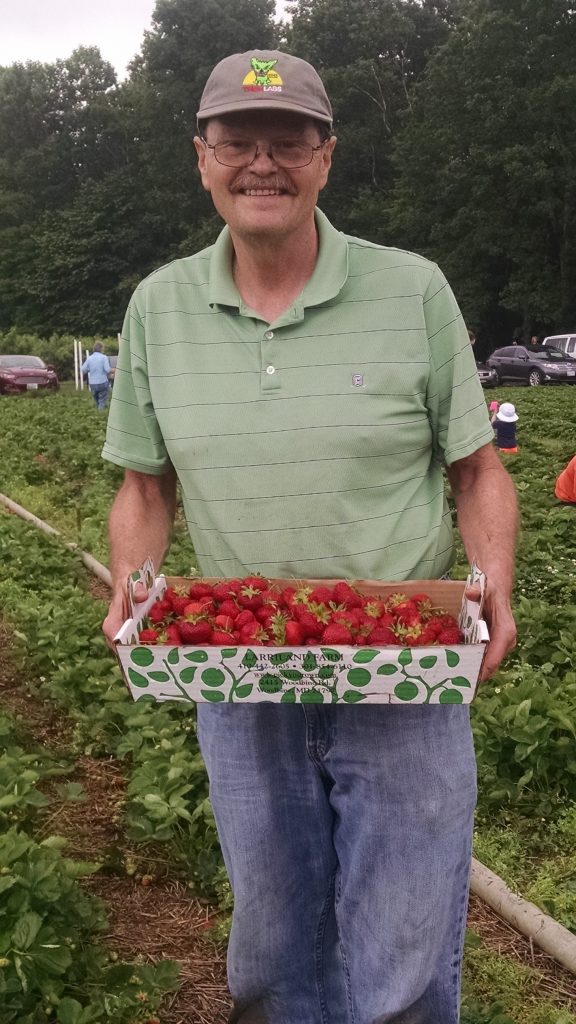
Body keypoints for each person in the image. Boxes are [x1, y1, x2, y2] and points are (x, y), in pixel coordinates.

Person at [101, 49, 518, 1024]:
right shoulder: (160, 307)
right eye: (236, 140)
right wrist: (135, 575)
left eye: (288, 140)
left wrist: (493, 574)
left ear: (326, 157)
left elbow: (478, 469)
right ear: (200, 157)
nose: (262, 161)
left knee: (406, 944)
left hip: (399, 669)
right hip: (241, 674)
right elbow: (144, 485)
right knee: (278, 943)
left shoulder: (411, 290)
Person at [81, 341, 111, 409]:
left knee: (97, 400)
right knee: (102, 400)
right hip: (102, 382)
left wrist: (90, 370)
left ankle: (97, 412)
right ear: (101, 349)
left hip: (92, 383)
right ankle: (100, 414)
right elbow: (107, 370)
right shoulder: (104, 357)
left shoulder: (89, 358)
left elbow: (83, 369)